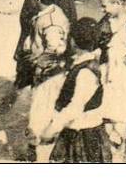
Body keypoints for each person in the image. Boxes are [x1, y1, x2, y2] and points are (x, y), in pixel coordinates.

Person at [42, 18, 113, 163]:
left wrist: (53, 128)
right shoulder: (85, 64)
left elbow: (75, 107)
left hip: (82, 134)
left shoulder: (85, 72)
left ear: (73, 41)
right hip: (81, 130)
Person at [97, 0, 126, 161]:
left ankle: (118, 153)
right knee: (106, 111)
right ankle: (116, 141)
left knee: (120, 114)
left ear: (118, 4)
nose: (103, 10)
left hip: (122, 73)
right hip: (107, 71)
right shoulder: (106, 21)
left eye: (105, 6)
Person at [14, 0, 71, 91]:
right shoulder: (51, 11)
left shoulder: (50, 22)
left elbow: (55, 47)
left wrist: (40, 63)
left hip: (47, 69)